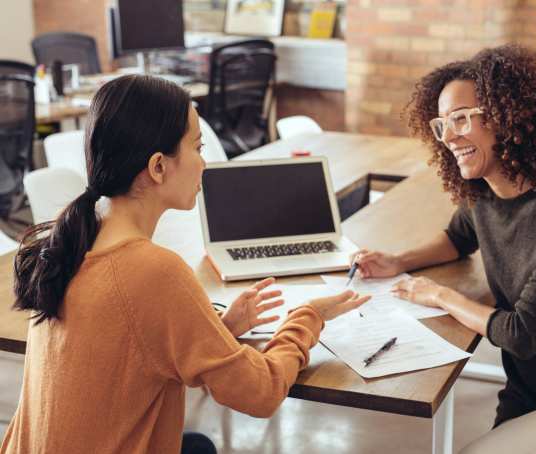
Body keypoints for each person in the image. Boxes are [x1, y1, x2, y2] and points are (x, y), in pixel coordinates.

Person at [0, 75, 370, 454]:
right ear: (158, 167)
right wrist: (307, 317)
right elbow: (259, 393)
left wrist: (219, 329)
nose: (204, 163)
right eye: (197, 147)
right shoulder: (153, 270)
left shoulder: (71, 243)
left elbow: (133, 352)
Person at [355, 45, 536, 454]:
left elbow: (522, 334)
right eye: (442, 123)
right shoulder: (485, 192)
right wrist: (397, 262)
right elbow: (457, 238)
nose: (449, 136)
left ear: (510, 117)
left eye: (461, 119)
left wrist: (438, 295)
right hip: (528, 388)